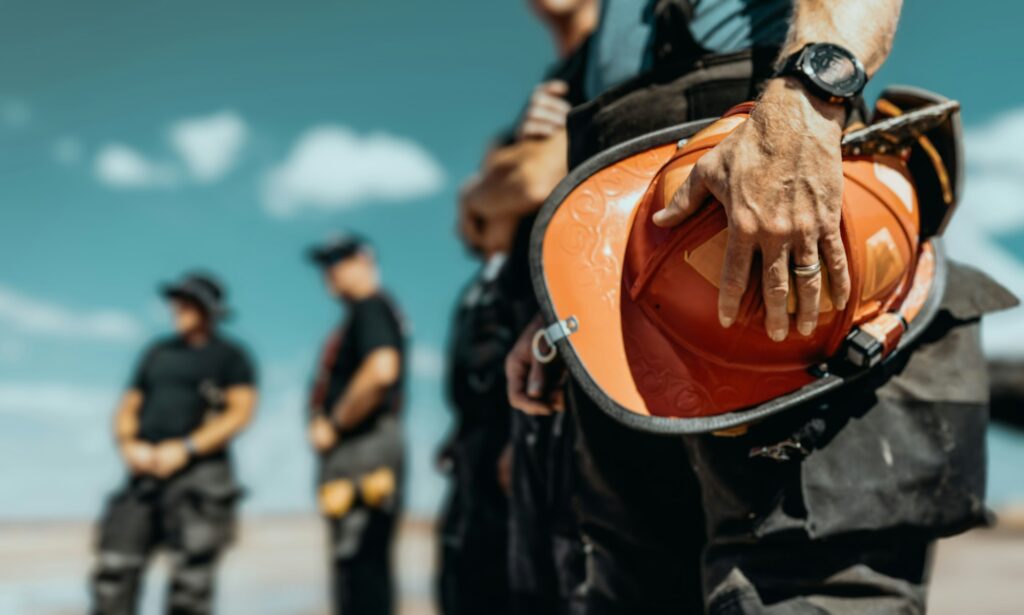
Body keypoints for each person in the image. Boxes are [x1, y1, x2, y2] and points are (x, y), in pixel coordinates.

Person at [506, 1, 1018, 613]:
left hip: (783, 231)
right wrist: (566, 303)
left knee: (812, 590)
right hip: (636, 312)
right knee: (632, 590)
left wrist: (805, 99)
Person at [446, 2, 597, 614]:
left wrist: (496, 176)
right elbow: (471, 223)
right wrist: (495, 178)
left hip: (577, 369)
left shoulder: (615, 60)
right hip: (521, 374)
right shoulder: (551, 84)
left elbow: (529, 182)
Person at [90, 272, 258, 615]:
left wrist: (187, 448)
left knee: (190, 585)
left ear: (209, 309)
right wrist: (128, 445)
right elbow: (128, 406)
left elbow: (240, 412)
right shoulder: (157, 353)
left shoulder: (231, 356)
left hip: (201, 478)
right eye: (176, 301)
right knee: (114, 570)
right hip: (143, 474)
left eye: (188, 302)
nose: (178, 308)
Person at [307, 234, 408, 615]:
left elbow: (382, 370)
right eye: (325, 264)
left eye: (339, 260)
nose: (329, 272)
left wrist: (333, 423)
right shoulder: (364, 313)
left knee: (359, 566)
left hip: (363, 449)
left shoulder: (371, 307)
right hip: (362, 449)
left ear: (365, 261)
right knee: (357, 568)